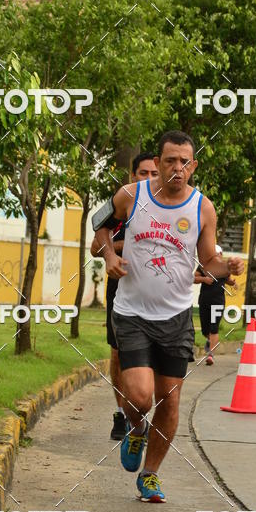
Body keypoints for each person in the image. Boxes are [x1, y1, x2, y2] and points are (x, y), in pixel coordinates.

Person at [92, 130, 244, 503]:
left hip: (176, 316)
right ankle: (136, 427)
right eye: (170, 161)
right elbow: (99, 226)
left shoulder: (202, 208)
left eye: (184, 162)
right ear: (157, 164)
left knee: (170, 400)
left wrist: (229, 267)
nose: (177, 168)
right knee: (141, 397)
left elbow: (208, 260)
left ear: (193, 166)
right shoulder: (132, 196)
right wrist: (110, 257)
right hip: (131, 313)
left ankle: (151, 474)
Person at [91, 152, 158, 440]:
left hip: (157, 292)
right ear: (133, 177)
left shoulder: (173, 205)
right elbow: (95, 247)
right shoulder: (122, 204)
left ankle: (139, 410)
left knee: (151, 356)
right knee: (118, 355)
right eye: (143, 173)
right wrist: (121, 248)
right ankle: (122, 414)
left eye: (154, 173)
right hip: (121, 288)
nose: (149, 178)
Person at [194, 245, 236, 365]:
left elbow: (227, 279)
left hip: (218, 301)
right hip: (204, 300)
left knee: (214, 327)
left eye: (220, 254)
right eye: (216, 254)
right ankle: (209, 341)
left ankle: (210, 354)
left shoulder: (224, 267)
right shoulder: (204, 266)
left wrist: (232, 283)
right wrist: (204, 279)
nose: (219, 256)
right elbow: (194, 278)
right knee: (205, 330)